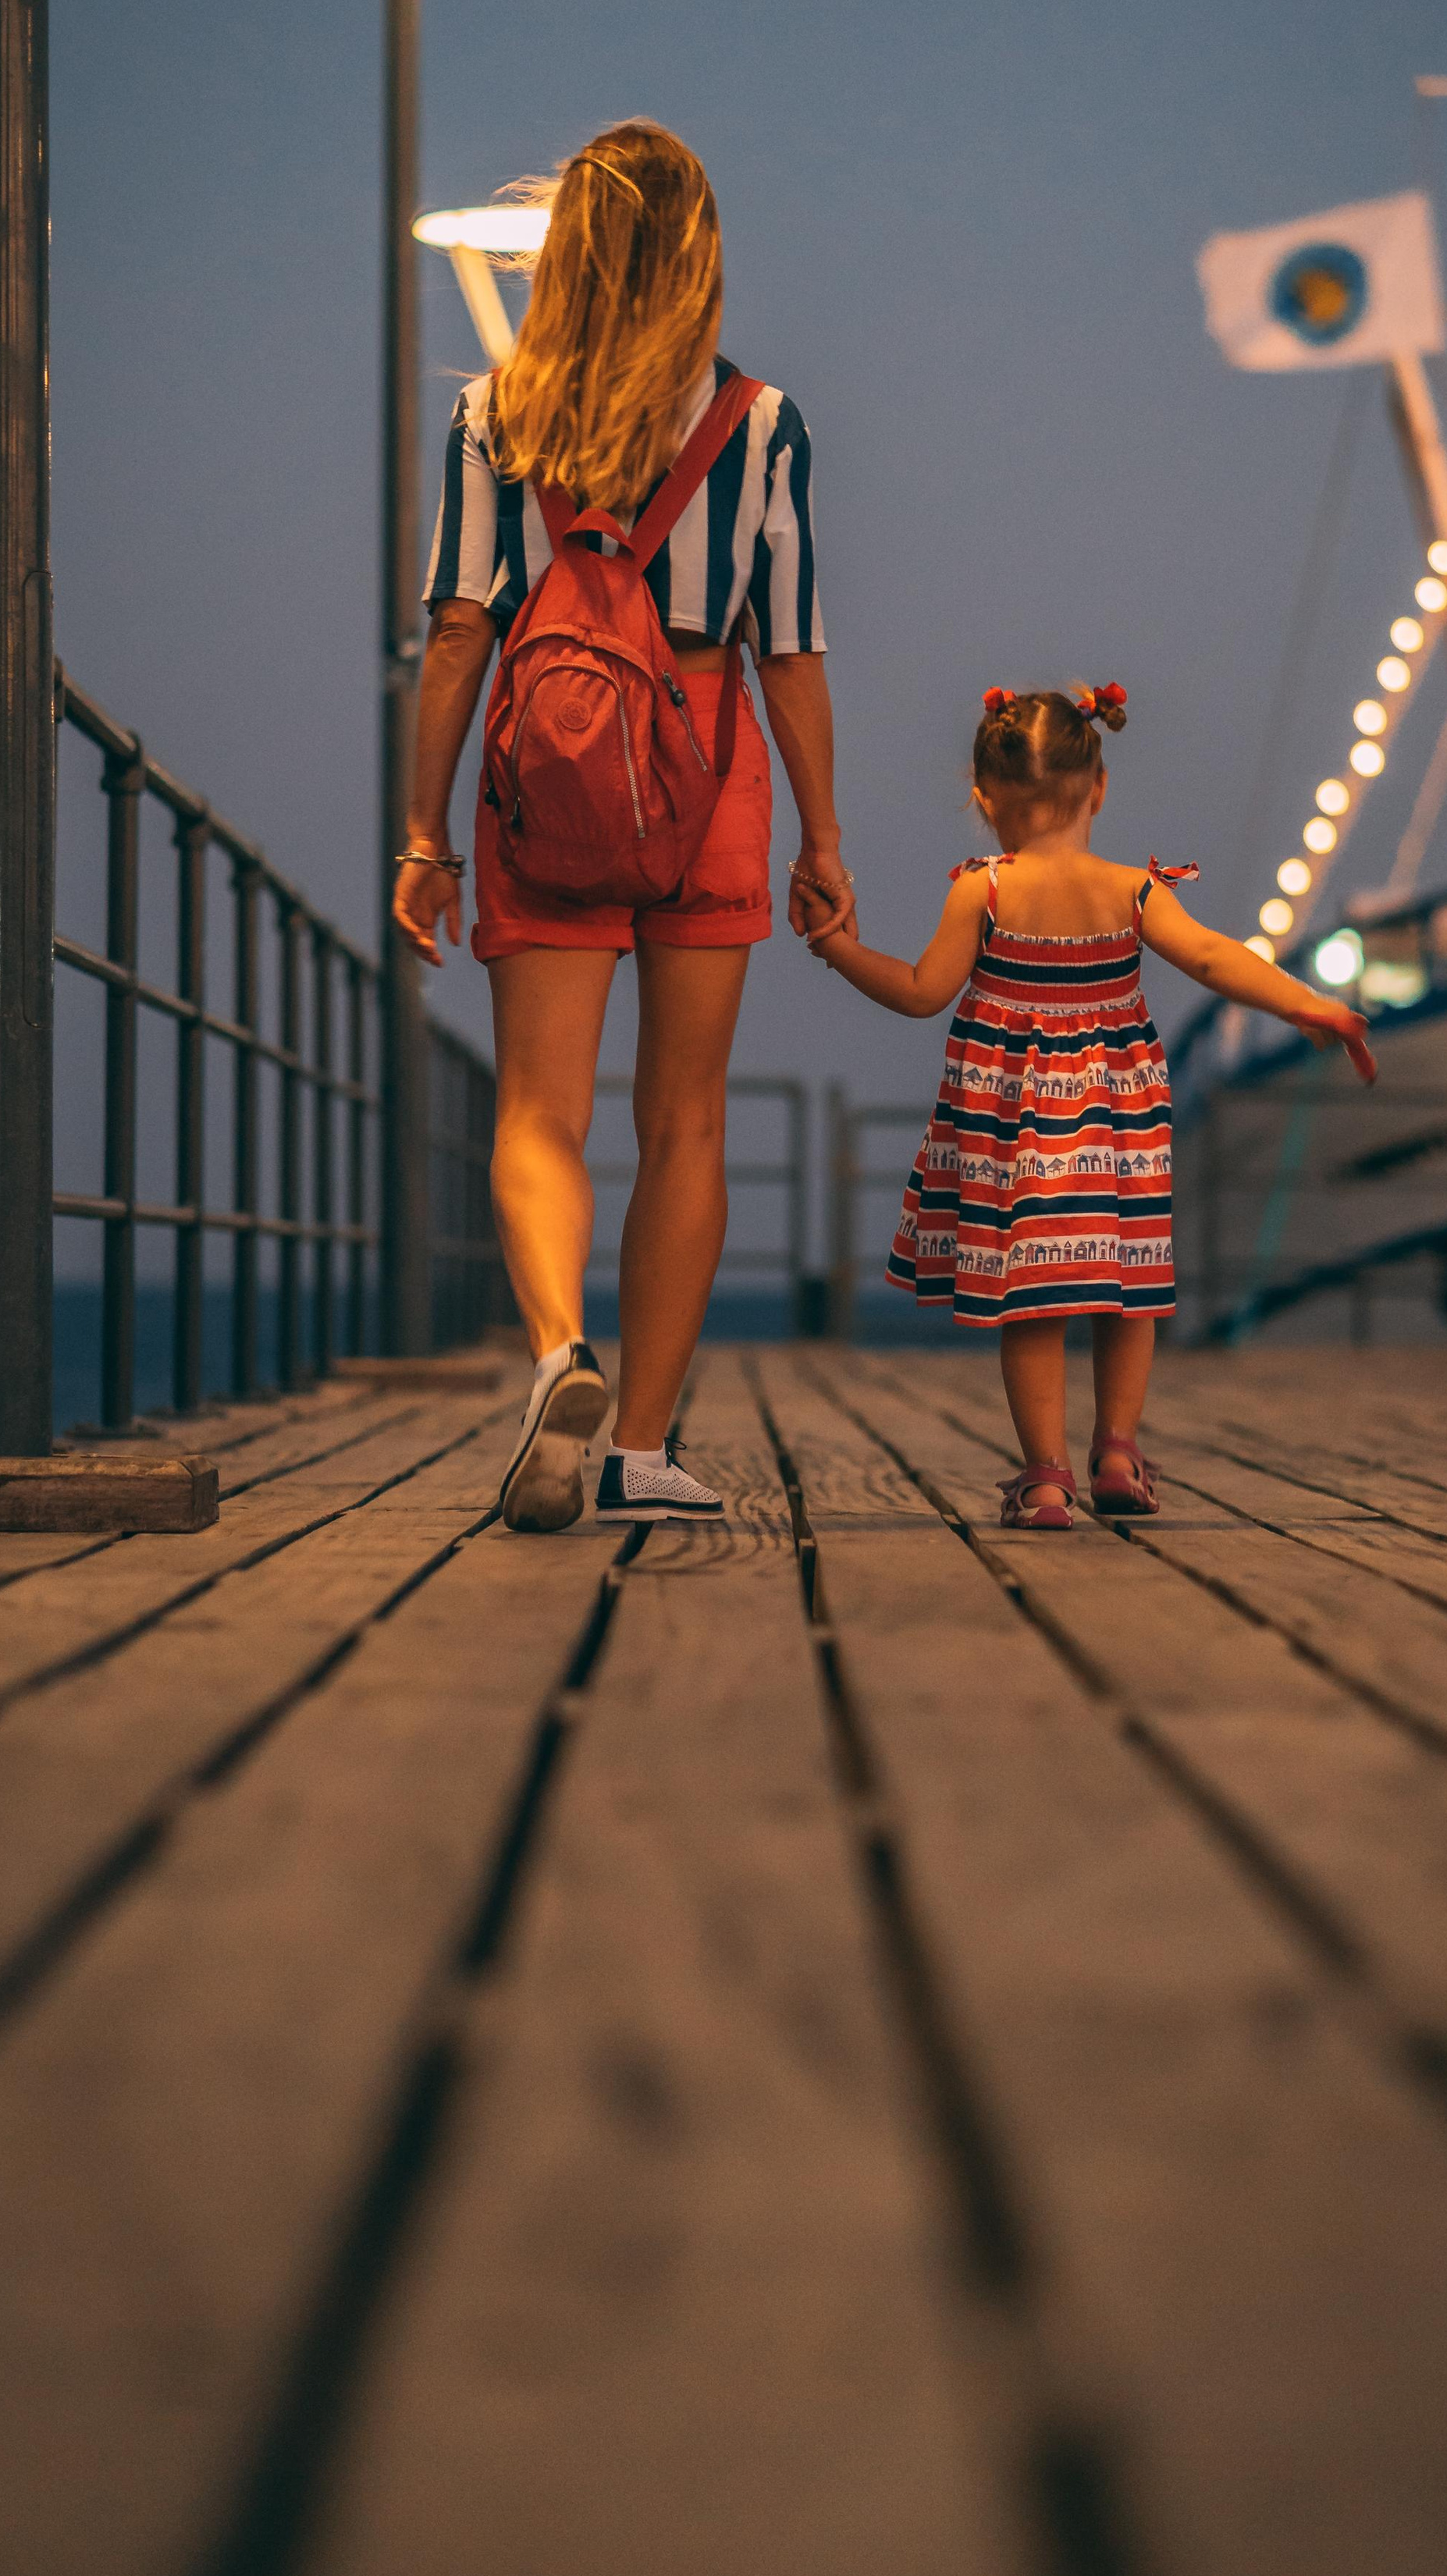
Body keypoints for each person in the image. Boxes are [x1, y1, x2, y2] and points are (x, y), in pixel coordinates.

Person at [394, 122, 853, 1532]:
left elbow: (463, 635)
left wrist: (425, 837)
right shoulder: (762, 423)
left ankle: (554, 1355)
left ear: (568, 255)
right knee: (688, 1120)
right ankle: (641, 1450)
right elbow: (791, 652)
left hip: (547, 780)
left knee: (540, 1110)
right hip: (710, 778)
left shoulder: (495, 419)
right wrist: (821, 844)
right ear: (701, 257)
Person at [809, 683, 1374, 1529]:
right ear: (1098, 787)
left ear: (984, 798)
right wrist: (1306, 1004)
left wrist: (836, 947)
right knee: (1127, 1284)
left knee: (1031, 1302)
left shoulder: (982, 891)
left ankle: (1045, 1478)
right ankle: (1117, 1450)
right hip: (1118, 1126)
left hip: (1014, 1137)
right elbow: (1216, 959)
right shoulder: (1133, 892)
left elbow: (923, 993)